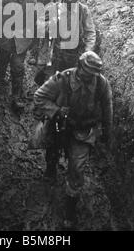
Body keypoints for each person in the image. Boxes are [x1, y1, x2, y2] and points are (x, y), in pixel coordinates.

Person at [33, 51, 113, 227]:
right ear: (79, 66)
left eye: (94, 72)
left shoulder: (101, 84)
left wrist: (107, 133)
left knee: (77, 168)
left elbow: (107, 109)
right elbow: (39, 97)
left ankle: (70, 211)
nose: (90, 76)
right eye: (87, 71)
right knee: (52, 148)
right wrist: (56, 111)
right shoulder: (62, 79)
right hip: (59, 126)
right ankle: (51, 168)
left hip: (83, 131)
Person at [0, 0, 37, 111]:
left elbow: (34, 21)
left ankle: (16, 95)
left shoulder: (31, 0)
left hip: (22, 38)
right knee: (3, 58)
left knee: (18, 66)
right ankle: (0, 80)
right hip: (6, 36)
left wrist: (33, 39)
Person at [52, 0, 96, 73]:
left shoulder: (83, 10)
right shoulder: (54, 8)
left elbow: (90, 32)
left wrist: (88, 50)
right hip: (56, 52)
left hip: (75, 53)